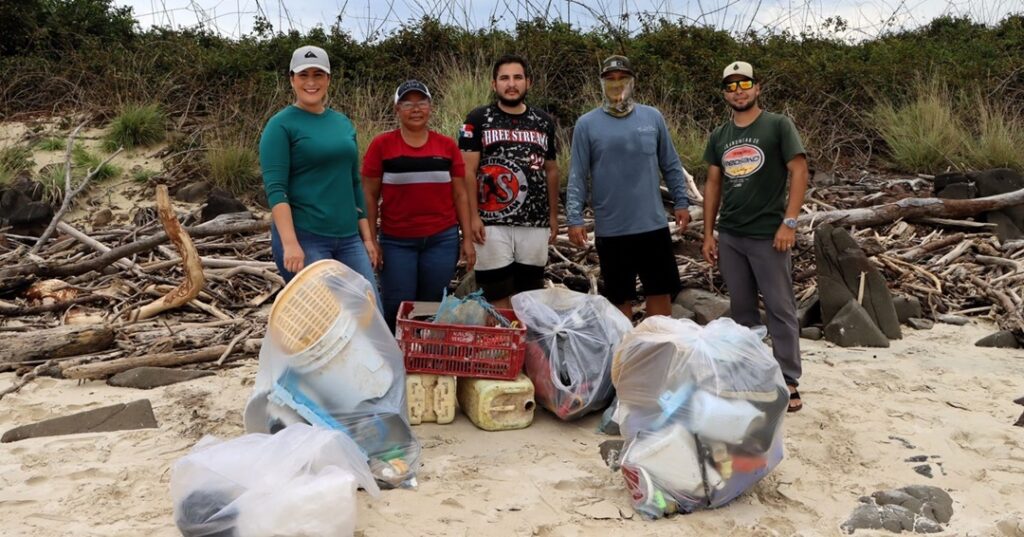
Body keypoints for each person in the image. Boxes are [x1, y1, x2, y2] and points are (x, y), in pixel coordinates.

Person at [701, 61, 809, 412]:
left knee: (780, 308)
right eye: (730, 86)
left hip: (769, 234)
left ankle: (788, 377)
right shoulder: (720, 136)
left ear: (757, 87)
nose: (738, 91)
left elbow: (799, 171)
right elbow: (714, 183)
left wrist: (788, 223)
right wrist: (709, 233)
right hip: (731, 235)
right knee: (742, 311)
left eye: (744, 83)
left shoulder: (778, 125)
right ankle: (750, 373)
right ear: (724, 94)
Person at [566, 55, 690, 320]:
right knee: (620, 297)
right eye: (610, 79)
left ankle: (658, 351)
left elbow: (670, 163)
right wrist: (574, 218)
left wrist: (681, 201)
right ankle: (626, 356)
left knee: (660, 292)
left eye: (622, 78)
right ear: (601, 84)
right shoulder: (586, 124)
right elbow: (578, 174)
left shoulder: (652, 117)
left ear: (632, 82)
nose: (616, 84)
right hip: (612, 230)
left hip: (653, 226)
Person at [259, 45, 381, 308]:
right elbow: (276, 189)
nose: (311, 82)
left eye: (318, 74)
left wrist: (368, 238)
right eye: (304, 75)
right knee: (324, 317)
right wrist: (290, 243)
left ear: (328, 79)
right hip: (306, 237)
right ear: (292, 79)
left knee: (369, 312)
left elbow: (353, 182)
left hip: (349, 237)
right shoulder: (280, 125)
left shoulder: (342, 123)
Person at [361, 80, 476, 332]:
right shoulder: (382, 146)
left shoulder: (446, 146)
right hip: (396, 242)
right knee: (397, 306)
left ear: (430, 107)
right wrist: (371, 240)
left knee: (431, 306)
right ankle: (396, 362)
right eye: (407, 103)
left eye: (421, 102)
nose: (415, 108)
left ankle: (424, 360)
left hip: (441, 241)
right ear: (396, 108)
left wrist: (467, 239)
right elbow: (368, 195)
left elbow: (460, 195)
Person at [458, 54, 560, 309]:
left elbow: (551, 170)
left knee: (530, 297)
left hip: (534, 223)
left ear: (529, 82)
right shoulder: (477, 119)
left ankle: (524, 347)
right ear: (494, 84)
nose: (511, 84)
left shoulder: (544, 122)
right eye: (504, 78)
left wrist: (553, 216)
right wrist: (472, 218)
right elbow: (466, 171)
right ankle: (500, 346)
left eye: (517, 77)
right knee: (496, 295)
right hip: (491, 223)